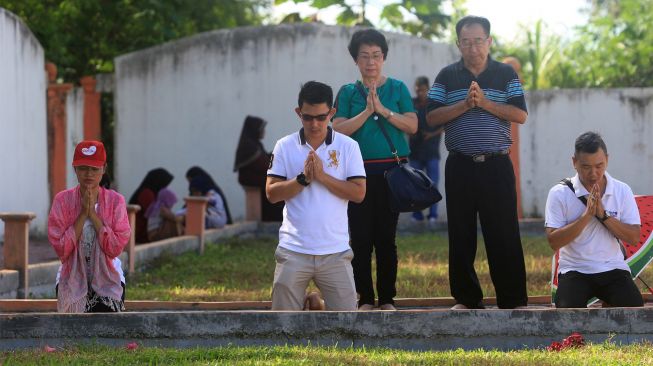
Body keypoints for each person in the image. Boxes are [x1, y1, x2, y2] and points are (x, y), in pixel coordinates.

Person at [426, 16, 528, 309]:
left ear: (489, 42)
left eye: (478, 41)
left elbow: (520, 114)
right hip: (460, 166)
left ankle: (512, 299)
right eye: (466, 42)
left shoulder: (505, 73)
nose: (473, 48)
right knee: (461, 233)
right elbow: (431, 117)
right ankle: (467, 298)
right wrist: (464, 104)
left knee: (504, 233)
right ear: (458, 44)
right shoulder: (447, 76)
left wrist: (484, 103)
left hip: (496, 165)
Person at [332, 28, 417, 311]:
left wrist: (383, 110)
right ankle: (365, 298)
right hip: (357, 175)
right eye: (365, 56)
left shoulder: (398, 88)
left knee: (386, 238)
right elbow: (339, 129)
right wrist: (367, 112)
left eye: (376, 56)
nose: (371, 62)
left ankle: (387, 299)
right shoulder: (347, 92)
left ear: (384, 58)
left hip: (392, 174)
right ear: (356, 60)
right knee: (360, 237)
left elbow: (412, 126)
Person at [266, 81, 366, 311]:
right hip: (293, 250)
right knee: (282, 325)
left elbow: (359, 193)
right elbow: (271, 193)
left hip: (335, 251)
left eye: (321, 117)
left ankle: (313, 303)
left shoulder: (348, 146)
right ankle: (312, 302)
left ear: (332, 113)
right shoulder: (284, 146)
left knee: (347, 324)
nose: (314, 124)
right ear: (298, 113)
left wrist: (322, 177)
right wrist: (303, 180)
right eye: (308, 117)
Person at [545, 132, 643, 308]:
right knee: (567, 312)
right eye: (586, 167)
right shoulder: (559, 193)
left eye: (599, 166)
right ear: (574, 162)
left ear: (607, 159)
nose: (593, 173)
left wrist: (604, 215)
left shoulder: (622, 190)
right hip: (574, 269)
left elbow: (634, 237)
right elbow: (553, 242)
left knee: (633, 307)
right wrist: (587, 216)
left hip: (613, 268)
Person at [48, 140, 130, 313]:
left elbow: (114, 248)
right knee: (72, 326)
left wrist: (92, 213)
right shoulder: (62, 201)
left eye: (94, 169)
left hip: (108, 277)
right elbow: (62, 249)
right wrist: (82, 214)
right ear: (75, 169)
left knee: (106, 320)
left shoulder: (116, 201)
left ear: (104, 169)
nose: (89, 174)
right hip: (70, 277)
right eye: (83, 168)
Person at [234, 116, 284, 221]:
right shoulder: (249, 146)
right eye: (262, 129)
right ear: (255, 130)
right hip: (251, 179)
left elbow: (264, 160)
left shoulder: (255, 144)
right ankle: (273, 218)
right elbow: (263, 164)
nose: (264, 132)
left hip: (258, 177)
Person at [409, 76, 443, 223]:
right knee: (414, 184)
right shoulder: (411, 103)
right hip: (415, 151)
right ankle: (417, 215)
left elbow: (444, 125)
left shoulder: (435, 104)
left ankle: (433, 216)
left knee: (433, 184)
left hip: (431, 151)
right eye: (418, 90)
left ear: (428, 89)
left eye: (422, 90)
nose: (420, 93)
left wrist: (431, 134)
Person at [129, 168, 174, 243]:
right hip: (140, 233)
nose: (164, 188)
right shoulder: (147, 193)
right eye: (164, 185)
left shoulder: (152, 193)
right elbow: (154, 212)